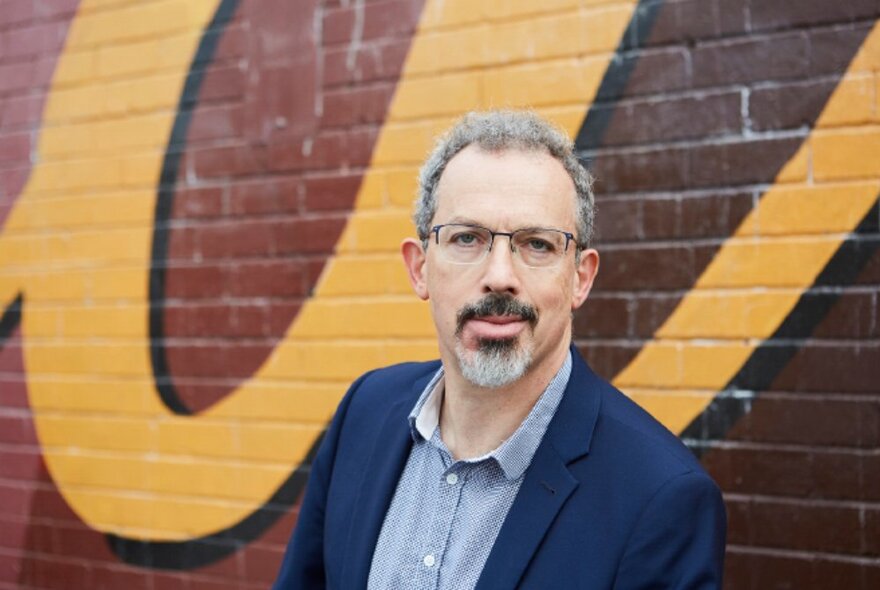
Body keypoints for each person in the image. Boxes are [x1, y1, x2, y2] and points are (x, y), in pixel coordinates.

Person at [273, 110, 727, 589]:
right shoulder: (364, 412)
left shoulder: (660, 499)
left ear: (581, 277)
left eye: (536, 244)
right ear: (419, 268)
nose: (500, 276)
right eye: (467, 238)